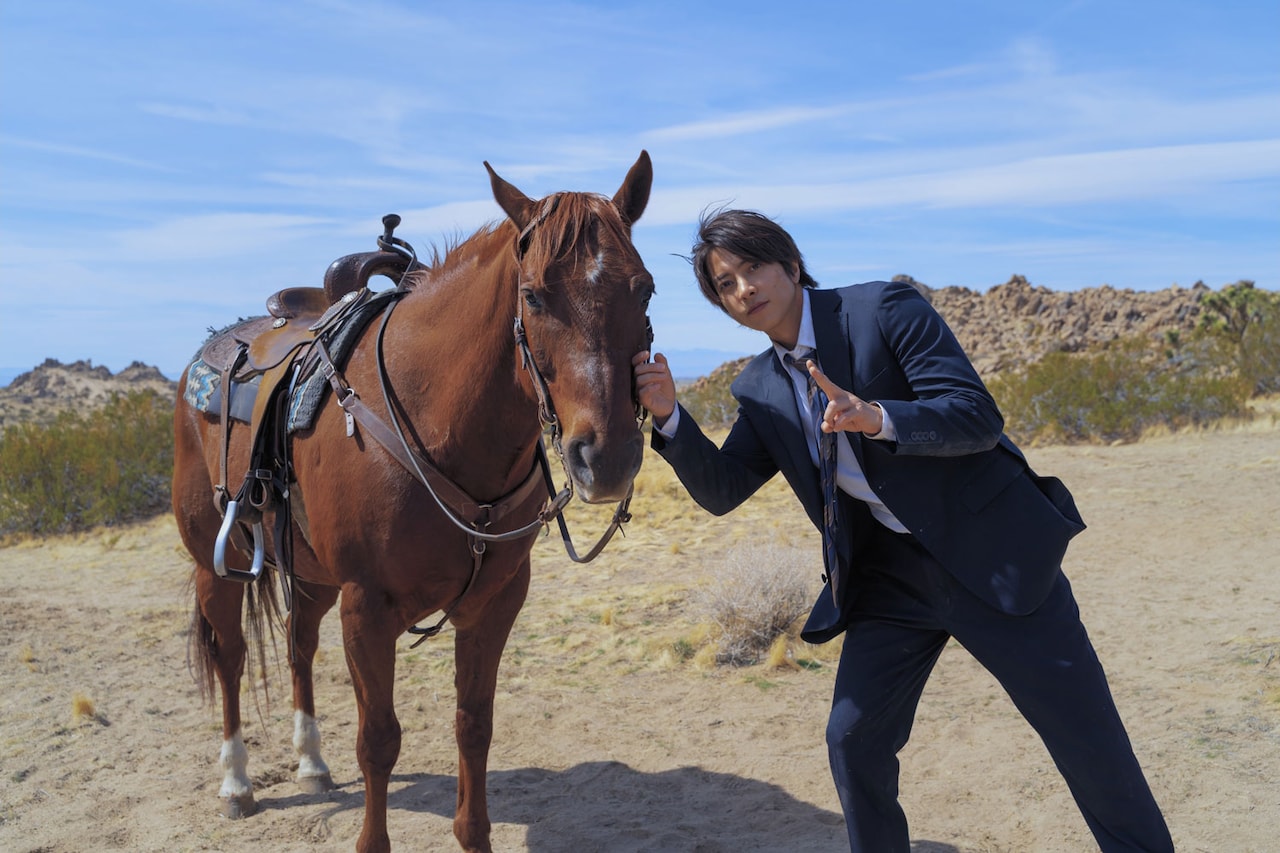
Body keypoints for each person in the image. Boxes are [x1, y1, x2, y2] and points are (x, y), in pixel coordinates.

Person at [631, 208, 1174, 852]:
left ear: (791, 265)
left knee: (1087, 740)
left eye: (753, 267)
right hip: (889, 581)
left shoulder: (883, 310)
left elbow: (975, 415)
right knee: (852, 740)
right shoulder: (759, 387)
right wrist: (668, 418)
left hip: (991, 559)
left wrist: (878, 418)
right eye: (726, 284)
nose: (744, 288)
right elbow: (722, 489)